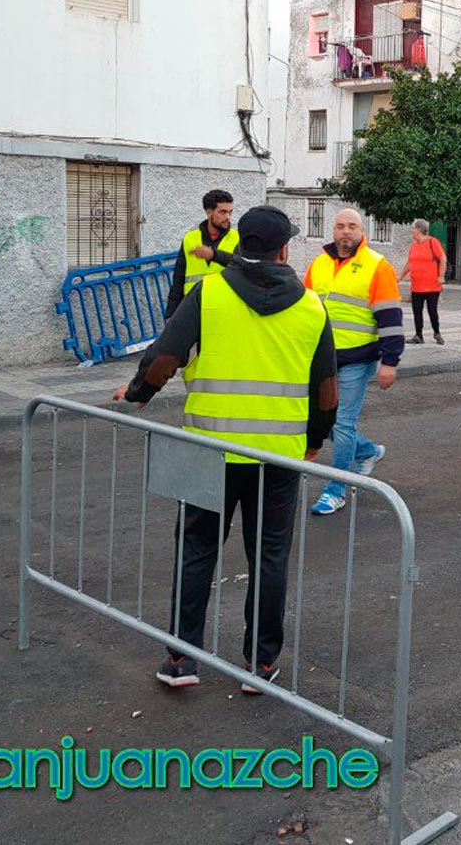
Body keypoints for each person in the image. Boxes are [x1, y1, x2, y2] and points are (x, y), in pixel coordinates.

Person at [113, 206, 338, 693]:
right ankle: (259, 667)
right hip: (276, 457)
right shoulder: (312, 306)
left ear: (241, 243)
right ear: (283, 250)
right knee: (269, 557)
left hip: (206, 449)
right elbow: (326, 389)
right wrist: (315, 440)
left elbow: (165, 357)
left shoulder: (209, 293)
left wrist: (136, 394)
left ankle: (181, 659)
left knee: (196, 552)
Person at [304, 209, 405, 516]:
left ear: (363, 230)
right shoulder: (318, 264)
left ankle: (336, 490)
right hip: (322, 360)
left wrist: (391, 361)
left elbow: (390, 317)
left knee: (342, 422)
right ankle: (367, 451)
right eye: (340, 226)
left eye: (351, 226)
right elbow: (305, 310)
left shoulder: (377, 266)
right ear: (332, 230)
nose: (345, 231)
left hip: (358, 359)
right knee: (324, 418)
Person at [166, 190, 240, 319]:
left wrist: (214, 255)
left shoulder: (237, 238)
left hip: (224, 309)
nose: (228, 217)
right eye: (223, 212)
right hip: (193, 308)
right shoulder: (190, 238)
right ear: (209, 212)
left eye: (230, 212)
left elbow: (243, 265)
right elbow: (179, 278)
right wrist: (171, 314)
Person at [399, 219, 447, 345]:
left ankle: (437, 333)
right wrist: (401, 276)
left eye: (413, 228)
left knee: (432, 311)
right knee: (417, 311)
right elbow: (410, 262)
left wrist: (441, 276)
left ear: (419, 230)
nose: (412, 231)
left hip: (432, 286)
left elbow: (443, 258)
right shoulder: (414, 245)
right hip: (416, 286)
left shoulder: (432, 242)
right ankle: (418, 335)